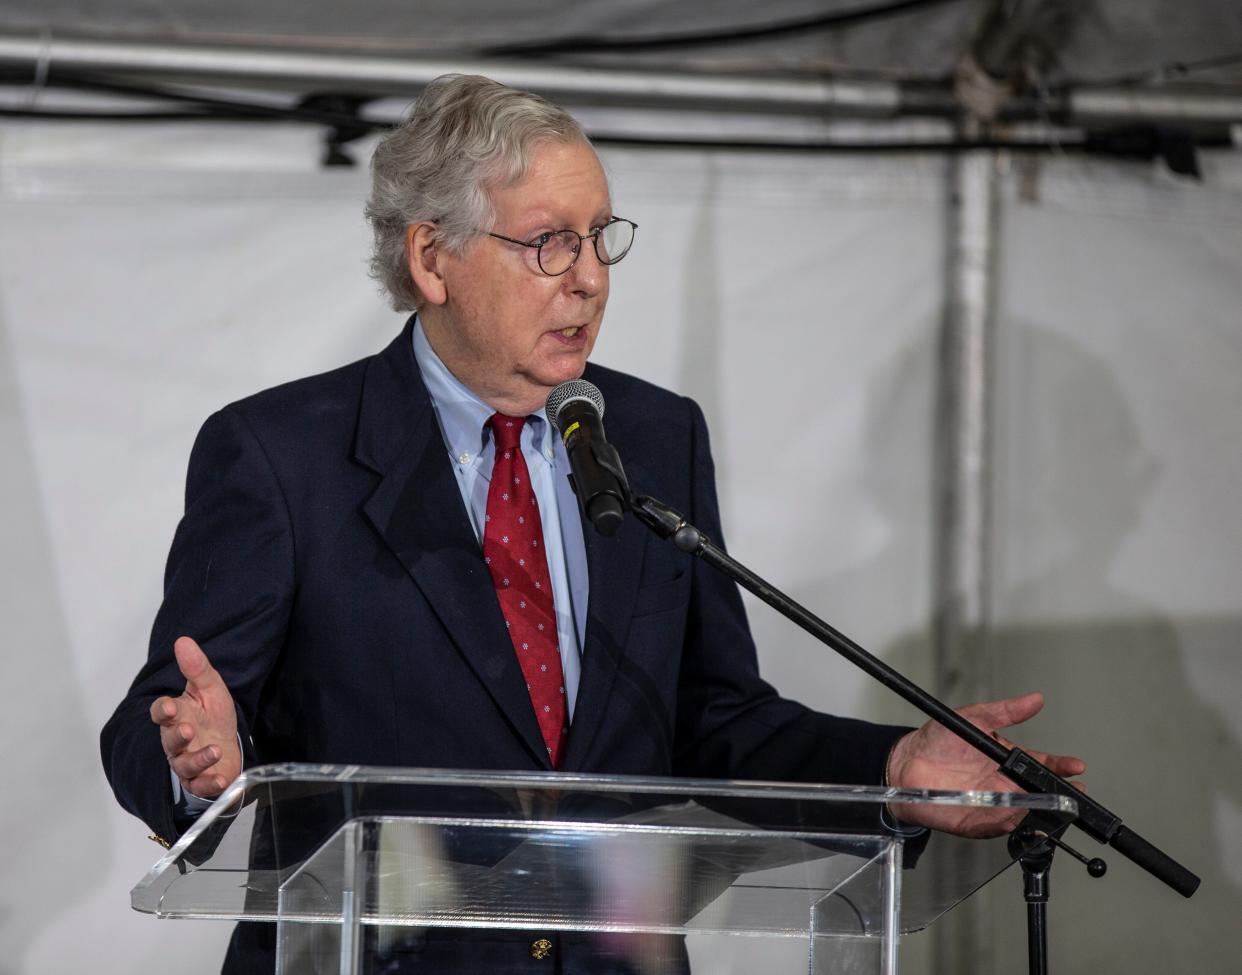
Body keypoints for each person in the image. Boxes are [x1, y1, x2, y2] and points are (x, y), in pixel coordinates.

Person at [101, 74, 1084, 973]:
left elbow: (715, 716)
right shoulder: (282, 455)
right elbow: (158, 726)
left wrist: (888, 770)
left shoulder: (652, 438)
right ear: (433, 258)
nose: (590, 278)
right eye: (549, 243)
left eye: (601, 235)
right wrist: (207, 774)